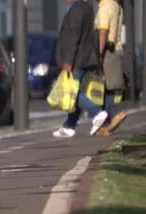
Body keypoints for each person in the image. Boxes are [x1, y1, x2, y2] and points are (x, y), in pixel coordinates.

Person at [53, 0, 108, 138]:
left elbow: (73, 36)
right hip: (83, 58)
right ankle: (69, 126)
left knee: (72, 93)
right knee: (74, 92)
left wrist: (68, 60)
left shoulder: (76, 10)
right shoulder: (86, 8)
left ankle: (96, 112)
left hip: (76, 59)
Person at [94, 0, 127, 136]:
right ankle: (106, 124)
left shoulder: (104, 8)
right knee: (109, 88)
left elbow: (103, 31)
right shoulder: (117, 6)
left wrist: (99, 53)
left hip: (107, 52)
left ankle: (114, 114)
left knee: (104, 87)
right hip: (117, 50)